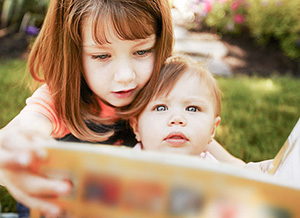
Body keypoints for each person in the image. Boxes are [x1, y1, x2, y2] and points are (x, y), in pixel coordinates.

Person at [0, 0, 243, 216]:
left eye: (142, 51)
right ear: (73, 52)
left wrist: (249, 172)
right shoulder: (60, 99)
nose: (126, 76)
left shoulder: (156, 89)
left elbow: (204, 143)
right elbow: (19, 132)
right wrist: (12, 154)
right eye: (101, 56)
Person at [129, 56, 221, 161]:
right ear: (136, 127)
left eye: (192, 109)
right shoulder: (125, 168)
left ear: (212, 129)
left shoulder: (214, 172)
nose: (177, 119)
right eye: (161, 108)